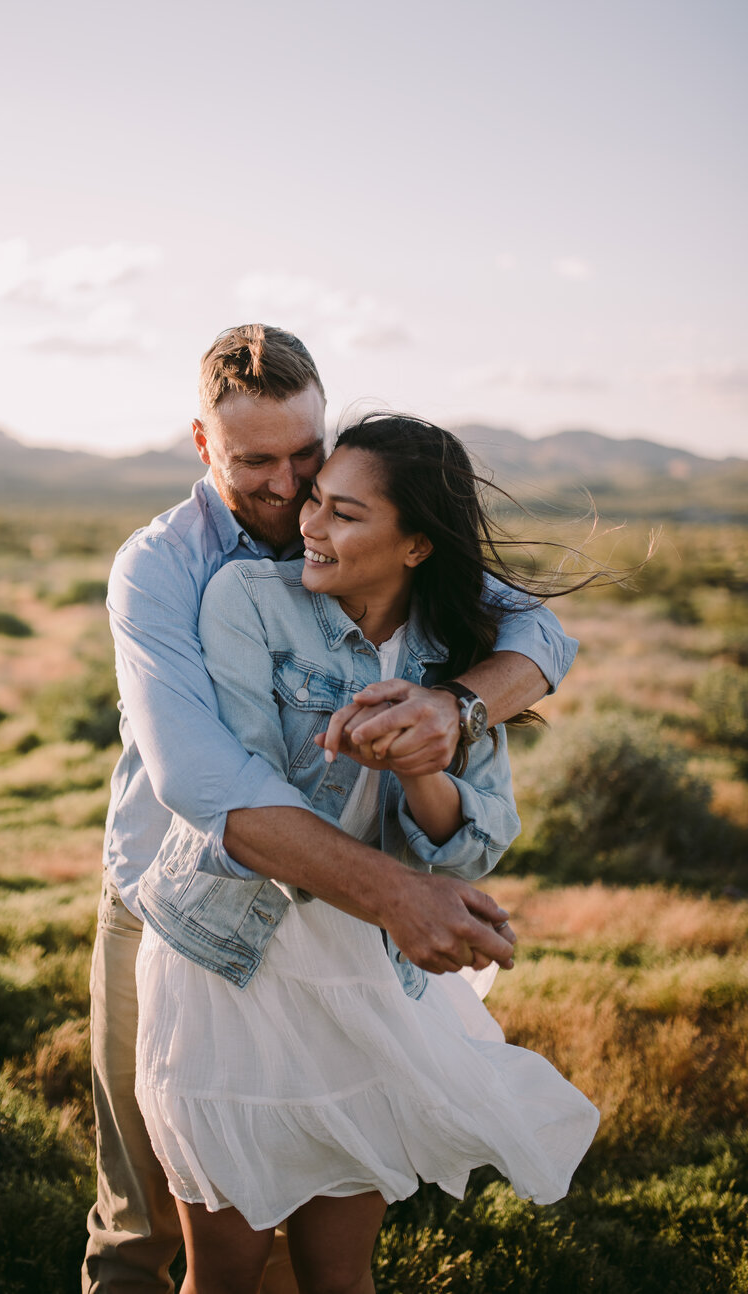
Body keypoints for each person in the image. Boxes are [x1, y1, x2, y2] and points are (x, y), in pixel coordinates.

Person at [83, 326, 579, 1293]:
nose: (287, 488)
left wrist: (456, 707)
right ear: (202, 446)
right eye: (253, 461)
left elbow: (542, 633)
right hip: (175, 904)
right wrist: (399, 894)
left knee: (306, 1211)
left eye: (305, 456)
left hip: (343, 939)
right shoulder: (168, 571)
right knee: (148, 1216)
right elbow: (208, 783)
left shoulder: (370, 534)